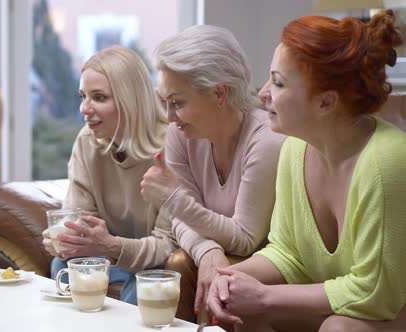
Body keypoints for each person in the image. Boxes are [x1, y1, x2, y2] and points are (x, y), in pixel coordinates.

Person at [206, 10, 406, 331]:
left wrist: (266, 297)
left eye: (278, 82)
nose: (263, 93)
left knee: (339, 329)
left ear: (326, 102)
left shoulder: (387, 162)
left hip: (390, 306)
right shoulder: (294, 149)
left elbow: (374, 292)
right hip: (357, 303)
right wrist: (229, 277)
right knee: (242, 308)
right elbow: (288, 254)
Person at [139, 25, 285, 322]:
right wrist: (208, 252)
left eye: (177, 103)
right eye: (165, 102)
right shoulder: (180, 133)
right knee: (179, 262)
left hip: (262, 266)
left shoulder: (266, 139)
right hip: (221, 257)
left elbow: (245, 238)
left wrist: (173, 199)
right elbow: (182, 221)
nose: (169, 117)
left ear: (220, 93)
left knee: (191, 265)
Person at [41, 45, 178, 305]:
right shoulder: (87, 142)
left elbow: (168, 246)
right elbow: (78, 220)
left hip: (154, 260)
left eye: (99, 97)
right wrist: (67, 241)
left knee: (142, 284)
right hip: (111, 256)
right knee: (63, 265)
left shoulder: (172, 146)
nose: (84, 108)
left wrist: (111, 246)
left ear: (130, 100)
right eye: (82, 96)